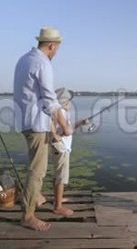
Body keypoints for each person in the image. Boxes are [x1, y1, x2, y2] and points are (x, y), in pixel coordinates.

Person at [13, 27, 72, 231]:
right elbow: (49, 100)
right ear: (51, 46)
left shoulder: (24, 59)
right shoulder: (43, 63)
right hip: (37, 123)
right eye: (56, 49)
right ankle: (27, 215)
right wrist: (65, 125)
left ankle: (34, 196)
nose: (56, 53)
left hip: (24, 121)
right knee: (37, 171)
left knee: (33, 165)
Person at [49, 88, 89, 216]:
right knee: (61, 177)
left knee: (57, 175)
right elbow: (64, 131)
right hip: (62, 149)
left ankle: (58, 199)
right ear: (64, 103)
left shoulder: (61, 112)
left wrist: (79, 123)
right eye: (68, 102)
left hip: (60, 147)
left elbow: (66, 128)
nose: (70, 105)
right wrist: (57, 138)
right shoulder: (59, 112)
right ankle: (58, 206)